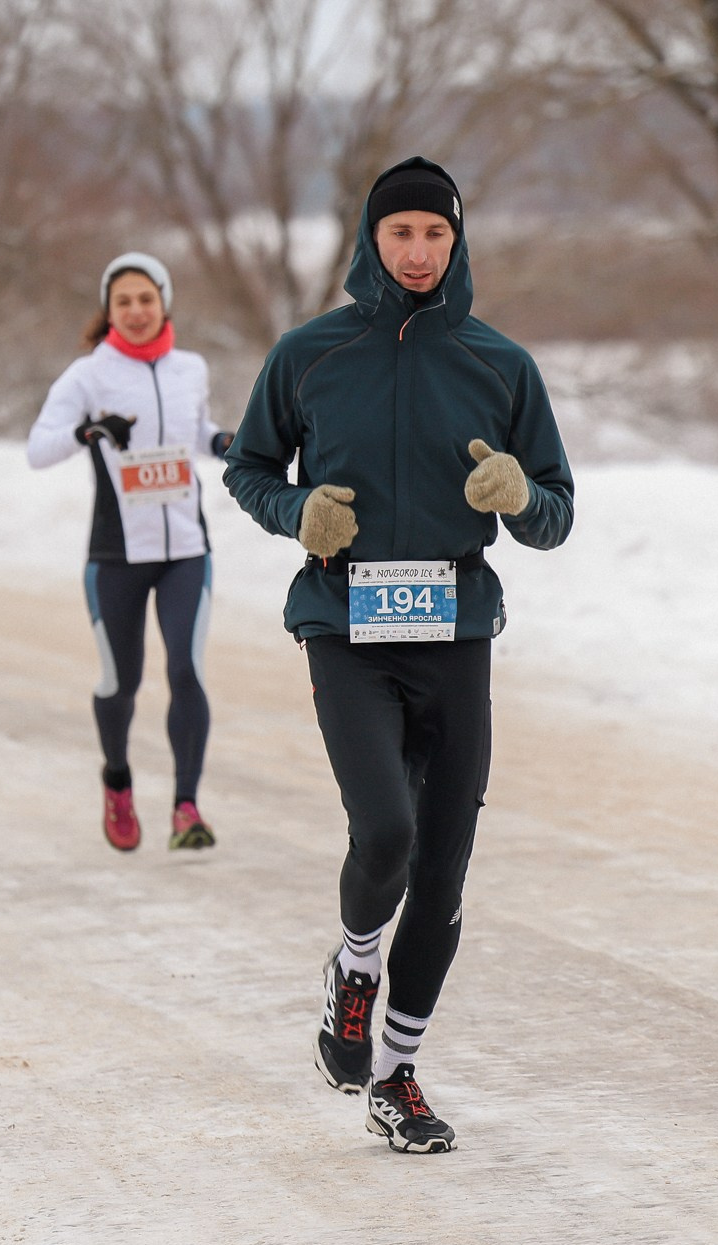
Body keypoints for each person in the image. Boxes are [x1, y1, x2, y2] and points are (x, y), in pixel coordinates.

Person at [224, 157, 574, 1154]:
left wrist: (521, 497)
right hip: (347, 626)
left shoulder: (501, 366)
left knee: (444, 872)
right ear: (369, 241)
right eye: (400, 233)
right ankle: (354, 966)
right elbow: (248, 468)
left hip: (454, 631)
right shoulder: (310, 355)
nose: (418, 252)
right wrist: (299, 510)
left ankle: (396, 1075)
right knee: (385, 832)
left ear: (457, 242)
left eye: (435, 234)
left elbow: (556, 511)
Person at [27, 253, 234, 854]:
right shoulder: (88, 376)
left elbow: (195, 431)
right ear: (109, 310)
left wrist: (223, 440)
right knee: (122, 682)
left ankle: (186, 808)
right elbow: (37, 449)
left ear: (163, 302)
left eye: (146, 298)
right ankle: (117, 779)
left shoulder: (190, 368)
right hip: (117, 555)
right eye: (124, 302)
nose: (137, 311)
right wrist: (88, 432)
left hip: (186, 550)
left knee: (186, 671)